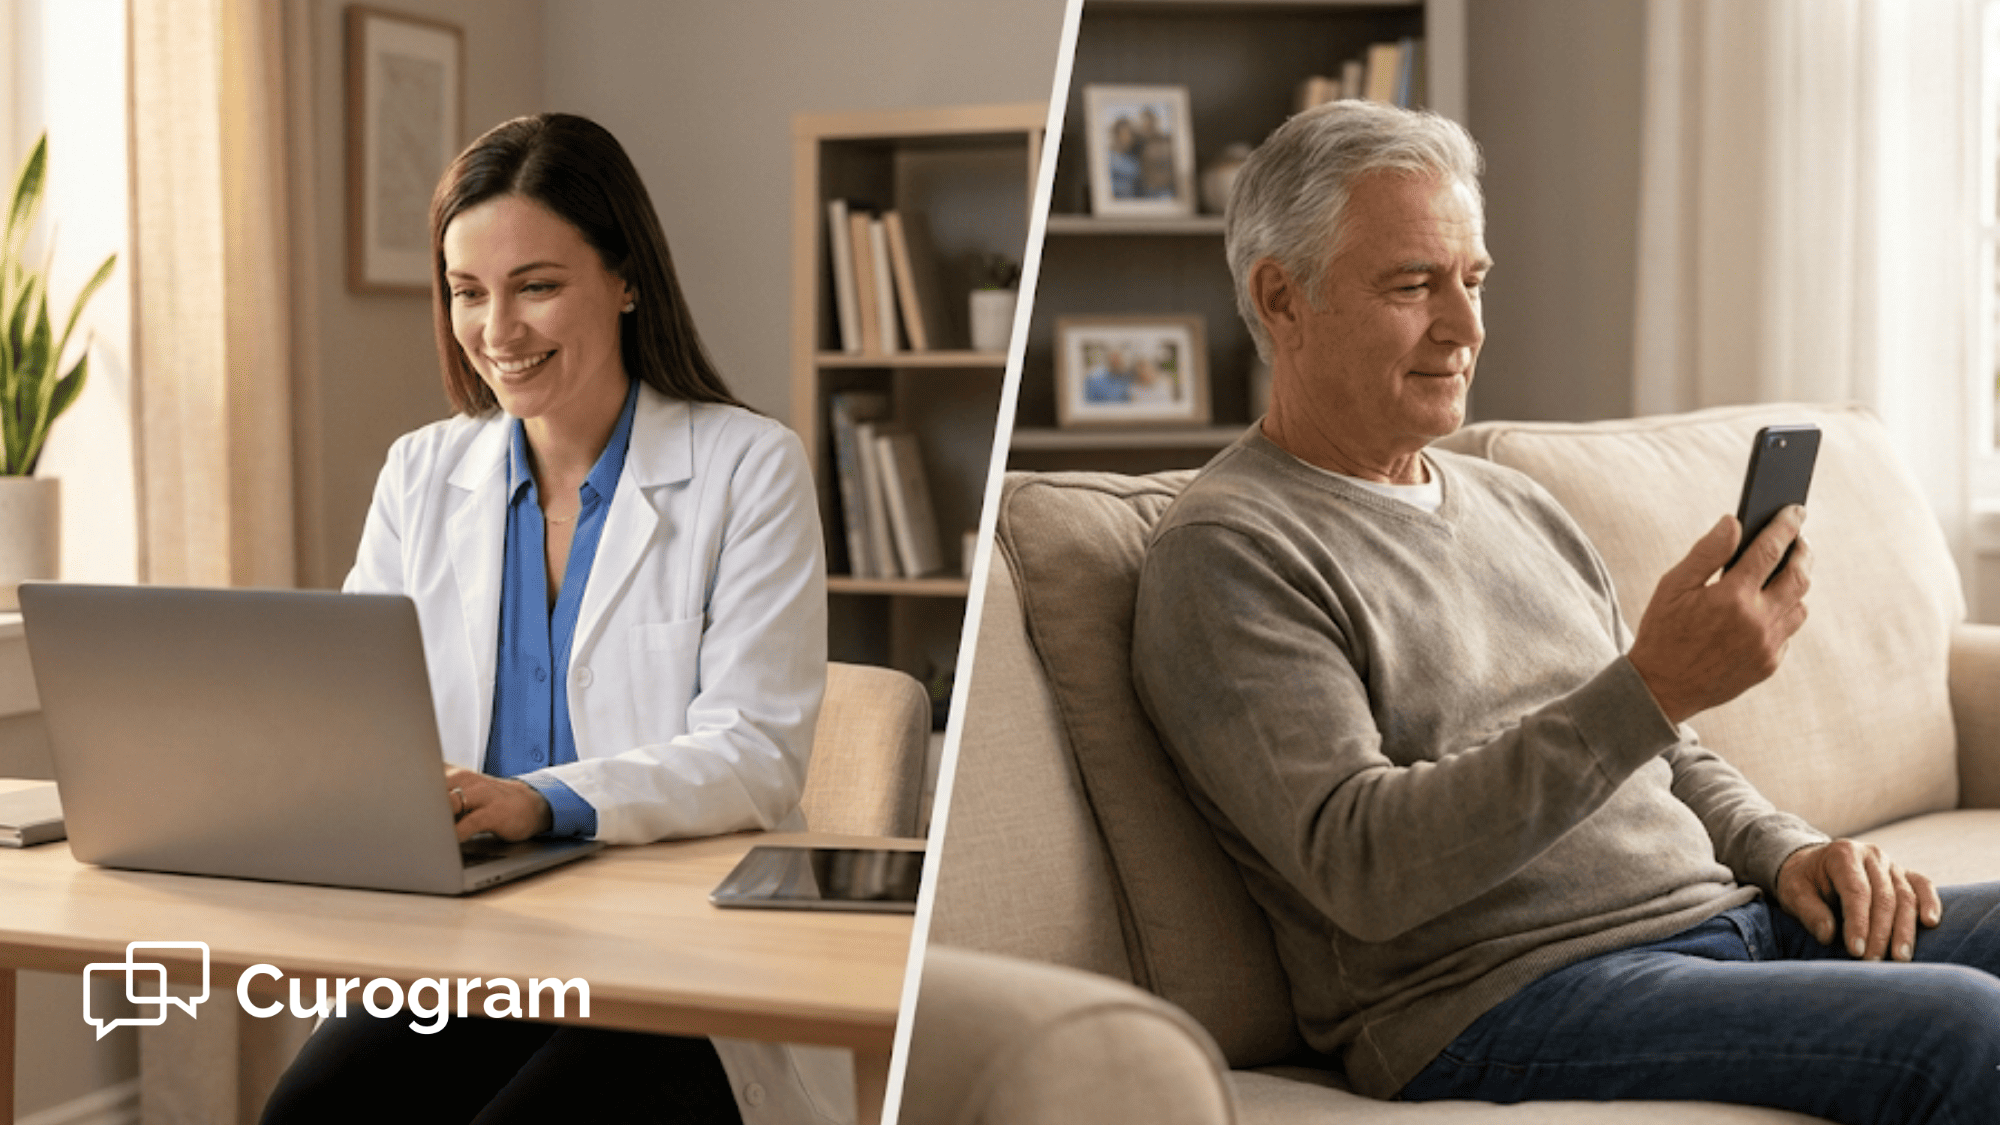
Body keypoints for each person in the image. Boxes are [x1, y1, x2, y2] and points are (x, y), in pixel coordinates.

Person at [1130, 98, 2000, 1125]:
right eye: (1412, 286)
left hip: (1723, 921)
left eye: (1472, 280)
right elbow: (1359, 865)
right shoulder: (1231, 552)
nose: (1464, 328)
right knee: (1966, 1028)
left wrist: (1787, 849)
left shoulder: (1512, 503)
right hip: (1505, 998)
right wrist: (1649, 685)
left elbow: (1661, 750)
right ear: (1281, 298)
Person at [261, 114, 840, 1125]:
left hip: (666, 961)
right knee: (310, 1113)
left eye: (535, 286)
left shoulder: (749, 467)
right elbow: (356, 715)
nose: (497, 331)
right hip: (468, 944)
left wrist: (540, 800)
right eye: (466, 293)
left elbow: (755, 755)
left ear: (625, 279)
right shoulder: (421, 473)